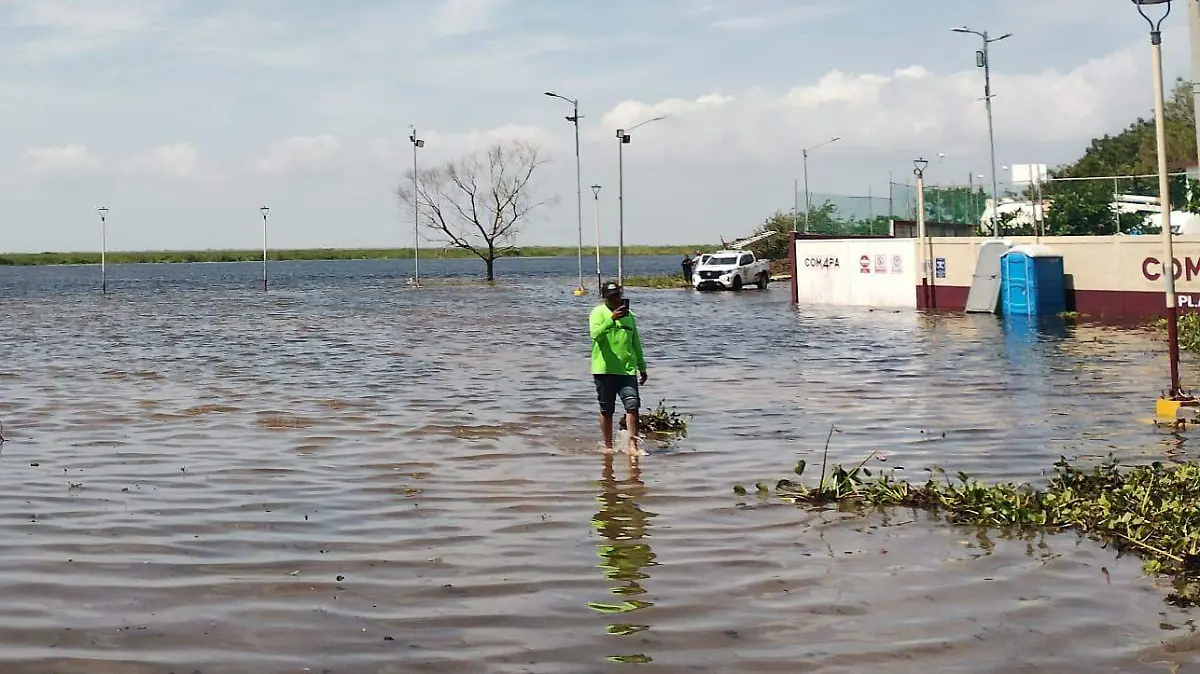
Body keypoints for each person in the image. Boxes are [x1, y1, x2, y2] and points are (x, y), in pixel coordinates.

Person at [589, 280, 649, 456]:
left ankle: (633, 445)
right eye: (612, 297)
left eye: (618, 296)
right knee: (607, 410)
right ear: (605, 298)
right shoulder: (598, 313)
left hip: (627, 370)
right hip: (604, 370)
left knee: (632, 406)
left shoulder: (629, 315)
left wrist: (642, 366)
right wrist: (611, 320)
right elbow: (595, 335)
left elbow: (635, 342)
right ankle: (608, 445)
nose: (616, 300)